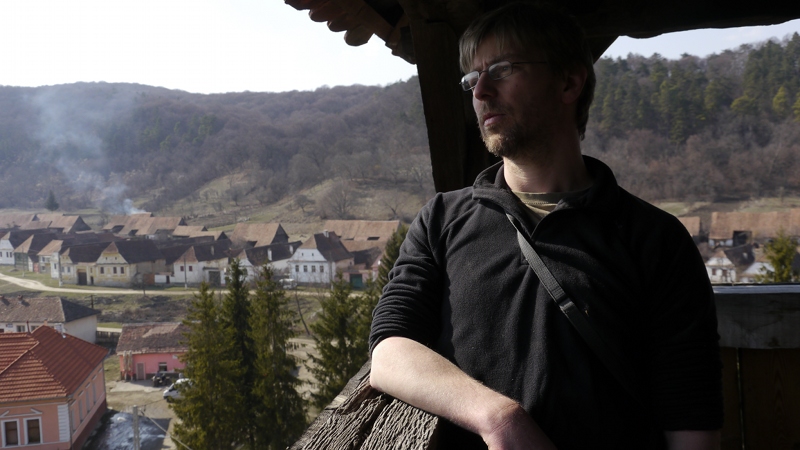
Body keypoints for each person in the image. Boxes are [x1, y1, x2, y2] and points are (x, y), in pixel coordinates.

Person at [368, 3, 723, 449]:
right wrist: (499, 419)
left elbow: (691, 418)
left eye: (502, 70)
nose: (481, 91)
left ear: (568, 82)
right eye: (471, 78)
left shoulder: (655, 239)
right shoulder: (442, 219)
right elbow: (389, 349)